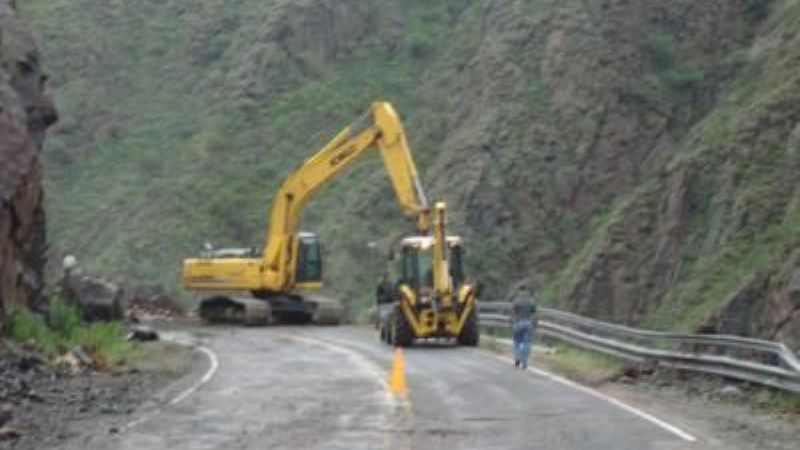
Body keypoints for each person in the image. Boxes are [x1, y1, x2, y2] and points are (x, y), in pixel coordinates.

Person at [510, 284, 537, 369]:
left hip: (518, 323)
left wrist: (511, 323)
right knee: (526, 343)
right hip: (528, 324)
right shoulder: (531, 301)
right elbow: (535, 314)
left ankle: (517, 358)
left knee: (517, 342)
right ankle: (525, 361)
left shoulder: (516, 301)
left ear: (519, 291)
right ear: (527, 291)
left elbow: (513, 313)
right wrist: (535, 325)